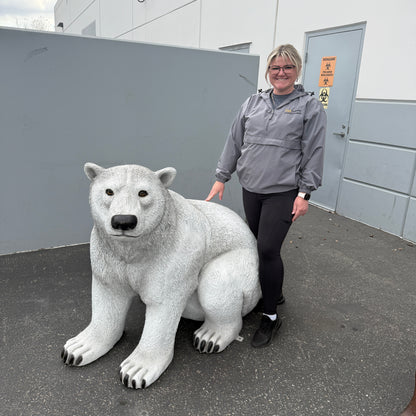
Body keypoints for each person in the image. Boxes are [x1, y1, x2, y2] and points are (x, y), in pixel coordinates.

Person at [206, 44, 326, 348]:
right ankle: (275, 291)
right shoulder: (253, 102)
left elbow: (314, 151)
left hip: (283, 192)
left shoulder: (309, 107)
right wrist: (222, 177)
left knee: (269, 249)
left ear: (297, 70)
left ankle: (271, 315)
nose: (281, 73)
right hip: (252, 189)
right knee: (256, 244)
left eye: (287, 67)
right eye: (275, 68)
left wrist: (305, 193)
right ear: (268, 71)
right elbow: (234, 140)